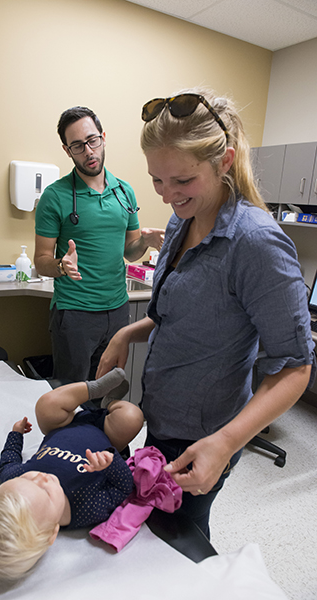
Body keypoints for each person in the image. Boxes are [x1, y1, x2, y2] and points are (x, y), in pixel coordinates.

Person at [96, 88, 316, 539]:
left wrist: (226, 442)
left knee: (180, 538)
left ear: (224, 161)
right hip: (163, 414)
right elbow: (182, 315)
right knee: (151, 527)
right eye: (157, 180)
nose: (167, 195)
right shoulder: (183, 220)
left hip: (205, 435)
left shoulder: (256, 244)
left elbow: (296, 367)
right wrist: (126, 334)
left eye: (182, 180)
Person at [0, 368, 144, 590]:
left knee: (46, 404)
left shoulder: (13, 481)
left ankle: (94, 389)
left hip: (61, 424)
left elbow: (8, 461)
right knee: (132, 417)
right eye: (45, 491)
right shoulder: (86, 510)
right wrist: (110, 462)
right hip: (107, 434)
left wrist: (16, 434)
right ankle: (110, 403)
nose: (41, 478)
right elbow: (123, 488)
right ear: (53, 533)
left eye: (28, 480)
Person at [34, 106, 164, 382]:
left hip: (117, 310)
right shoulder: (54, 196)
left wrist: (146, 241)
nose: (88, 151)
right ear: (67, 151)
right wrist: (61, 266)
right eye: (77, 146)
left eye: (92, 140)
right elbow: (41, 261)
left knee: (108, 388)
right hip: (74, 313)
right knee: (72, 394)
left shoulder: (124, 192)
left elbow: (130, 252)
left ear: (103, 138)